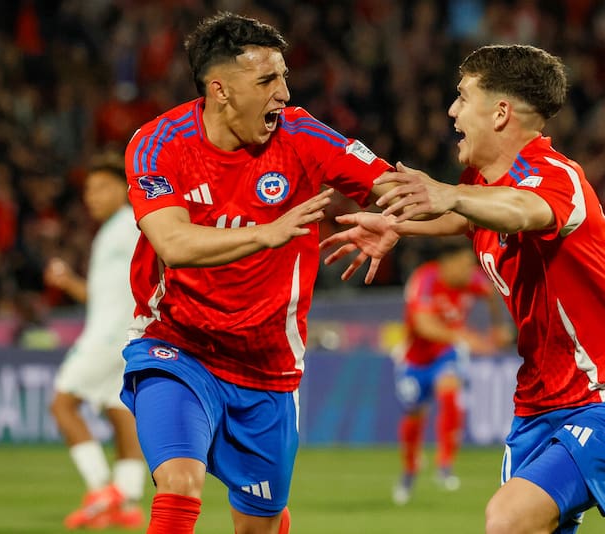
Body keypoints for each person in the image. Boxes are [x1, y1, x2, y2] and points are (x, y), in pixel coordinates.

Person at [321, 44, 605, 533]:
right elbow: (470, 217)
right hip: (538, 404)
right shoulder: (482, 187)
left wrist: (450, 194)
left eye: (463, 97)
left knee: (507, 519)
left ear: (501, 112)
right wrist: (399, 226)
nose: (452, 111)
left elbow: (523, 211)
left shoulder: (557, 178)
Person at [120, 11, 397, 534]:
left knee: (259, 524)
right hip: (178, 346)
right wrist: (265, 234)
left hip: (268, 366)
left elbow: (395, 188)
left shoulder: (302, 135)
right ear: (220, 89)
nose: (284, 94)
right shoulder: (159, 143)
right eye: (268, 80)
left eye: (284, 77)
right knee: (179, 482)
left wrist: (401, 221)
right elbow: (173, 244)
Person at [45, 152, 146, 530]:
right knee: (120, 412)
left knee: (62, 404)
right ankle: (128, 500)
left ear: (124, 189)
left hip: (108, 337)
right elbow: (100, 297)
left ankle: (102, 491)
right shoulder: (110, 232)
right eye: (89, 190)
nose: (92, 196)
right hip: (126, 334)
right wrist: (68, 282)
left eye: (102, 187)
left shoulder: (132, 225)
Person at [392, 237, 511, 506]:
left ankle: (445, 464)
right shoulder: (425, 280)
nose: (471, 271)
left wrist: (497, 328)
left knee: (449, 390)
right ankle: (409, 470)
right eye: (465, 265)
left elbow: (492, 293)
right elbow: (423, 325)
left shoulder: (471, 280)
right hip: (414, 358)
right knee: (414, 415)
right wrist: (464, 336)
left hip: (446, 353)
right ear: (447, 263)